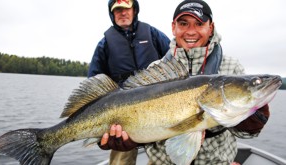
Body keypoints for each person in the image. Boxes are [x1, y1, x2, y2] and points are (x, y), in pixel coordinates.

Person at [99, 0, 270, 164]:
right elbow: (149, 128)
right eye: (183, 24)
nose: (190, 31)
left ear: (210, 28)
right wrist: (132, 141)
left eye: (199, 24)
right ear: (173, 28)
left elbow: (245, 133)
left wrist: (251, 125)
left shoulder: (231, 67)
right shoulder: (156, 68)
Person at [87, 0, 170, 164]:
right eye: (117, 10)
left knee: (163, 157)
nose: (122, 13)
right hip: (122, 116)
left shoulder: (153, 33)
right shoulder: (104, 44)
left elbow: (174, 56)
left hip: (159, 111)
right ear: (112, 14)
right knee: (121, 157)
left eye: (126, 9)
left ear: (134, 10)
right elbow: (93, 82)